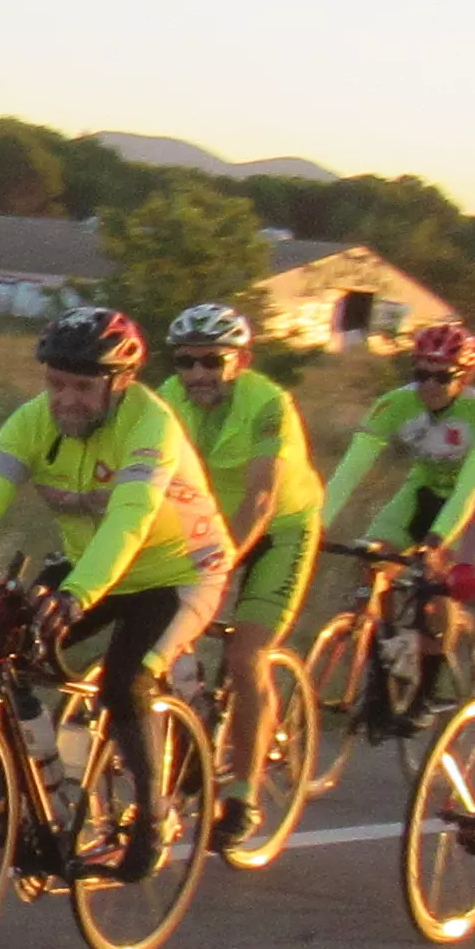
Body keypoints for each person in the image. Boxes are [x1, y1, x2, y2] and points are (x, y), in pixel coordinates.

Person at [0, 304, 231, 871]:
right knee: (2, 646)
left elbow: (129, 520)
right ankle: (25, 791)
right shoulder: (33, 420)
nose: (65, 399)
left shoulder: (150, 424)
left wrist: (77, 595)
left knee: (124, 681)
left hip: (177, 572)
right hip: (94, 564)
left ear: (121, 382)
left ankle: (153, 812)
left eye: (83, 387)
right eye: (55, 383)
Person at [159, 300, 319, 842]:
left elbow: (262, 497)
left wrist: (222, 565)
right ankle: (189, 724)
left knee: (246, 653)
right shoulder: (168, 399)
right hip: (206, 526)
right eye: (186, 361)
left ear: (241, 360)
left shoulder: (269, 403)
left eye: (212, 361)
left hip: (277, 528)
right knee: (159, 629)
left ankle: (243, 795)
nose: (197, 374)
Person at [318, 319, 475, 567]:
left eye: (442, 377)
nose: (429, 385)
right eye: (421, 375)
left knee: (436, 575)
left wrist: (436, 541)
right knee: (371, 559)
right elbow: (348, 472)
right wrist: (316, 526)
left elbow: (471, 488)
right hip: (423, 490)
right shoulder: (394, 404)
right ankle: (367, 605)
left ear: (465, 377)